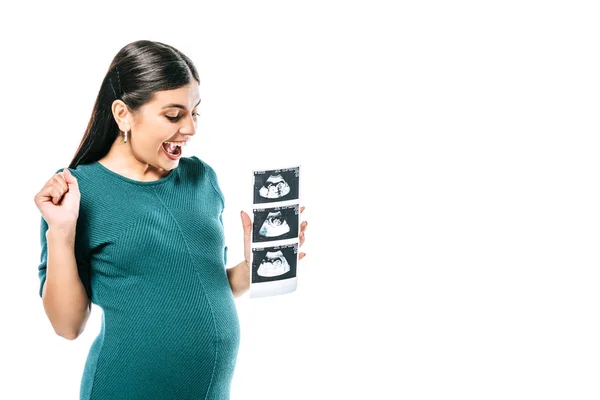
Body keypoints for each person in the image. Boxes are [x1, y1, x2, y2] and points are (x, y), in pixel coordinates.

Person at [32, 40, 308, 400]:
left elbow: (209, 284)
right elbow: (67, 326)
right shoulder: (79, 191)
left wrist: (252, 267)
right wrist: (62, 231)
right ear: (123, 114)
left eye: (195, 113)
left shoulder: (201, 178)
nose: (190, 129)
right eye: (174, 115)